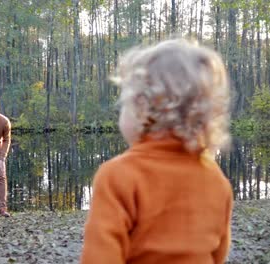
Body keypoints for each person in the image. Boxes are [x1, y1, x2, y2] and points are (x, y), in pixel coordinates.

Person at [81, 39, 233, 263]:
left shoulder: (117, 176)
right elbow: (218, 254)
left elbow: (100, 256)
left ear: (141, 108)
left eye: (124, 104)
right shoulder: (216, 180)